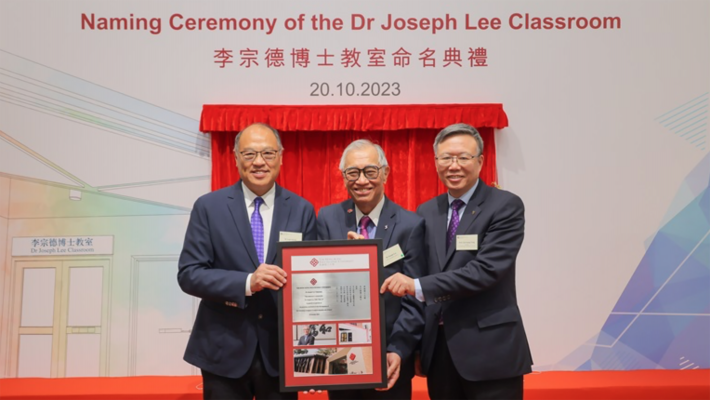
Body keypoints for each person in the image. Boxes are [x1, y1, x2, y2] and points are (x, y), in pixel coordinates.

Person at [380, 123, 533, 400]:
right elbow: (412, 263)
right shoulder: (427, 211)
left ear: (480, 161)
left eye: (463, 157)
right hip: (439, 353)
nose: (454, 165)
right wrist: (363, 252)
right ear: (436, 161)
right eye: (445, 158)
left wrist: (415, 285)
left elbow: (485, 271)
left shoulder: (505, 206)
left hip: (491, 351)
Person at [178, 122, 316, 400]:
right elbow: (189, 274)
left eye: (268, 153)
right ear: (235, 157)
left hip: (281, 356)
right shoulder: (209, 207)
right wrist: (247, 282)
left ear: (280, 156)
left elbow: (310, 286)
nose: (259, 162)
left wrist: (312, 352)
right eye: (249, 154)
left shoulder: (302, 210)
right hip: (223, 352)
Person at [317, 139, 426, 400]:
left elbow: (415, 298)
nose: (361, 180)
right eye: (352, 173)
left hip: (389, 357)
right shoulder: (328, 218)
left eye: (370, 171)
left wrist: (398, 349)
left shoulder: (410, 225)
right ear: (343, 177)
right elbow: (317, 287)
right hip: (339, 356)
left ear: (385, 173)